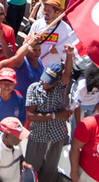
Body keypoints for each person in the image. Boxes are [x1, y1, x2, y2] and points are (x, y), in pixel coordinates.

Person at [25, 45, 74, 182]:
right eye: (45, 78)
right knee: (31, 167)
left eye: (50, 81)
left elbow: (67, 73)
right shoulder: (33, 89)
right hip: (38, 135)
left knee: (50, 168)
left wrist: (69, 55)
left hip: (57, 135)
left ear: (57, 81)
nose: (45, 83)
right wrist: (56, 115)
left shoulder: (60, 87)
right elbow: (31, 116)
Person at [28, 0, 78, 66]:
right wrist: (32, 40)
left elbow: (72, 49)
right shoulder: (37, 24)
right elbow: (26, 44)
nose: (45, 13)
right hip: (35, 66)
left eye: (48, 11)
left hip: (52, 70)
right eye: (45, 10)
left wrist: (58, 51)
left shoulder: (66, 28)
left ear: (57, 13)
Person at [0, 117, 32, 182]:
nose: (21, 139)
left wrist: (23, 163)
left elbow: (20, 156)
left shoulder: (15, 143)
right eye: (18, 137)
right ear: (6, 137)